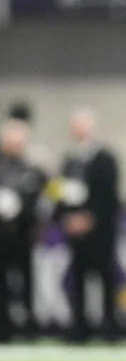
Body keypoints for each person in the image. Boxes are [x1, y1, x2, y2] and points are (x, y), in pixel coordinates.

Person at [55, 109, 121, 343]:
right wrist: (66, 218)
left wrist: (89, 219)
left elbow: (109, 196)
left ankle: (110, 328)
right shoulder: (70, 161)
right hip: (76, 233)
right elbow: (60, 191)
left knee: (106, 280)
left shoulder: (105, 158)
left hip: (100, 233)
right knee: (78, 281)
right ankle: (79, 328)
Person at [0, 117, 47, 342]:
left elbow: (43, 198)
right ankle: (4, 328)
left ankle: (29, 328)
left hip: (24, 235)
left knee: (28, 283)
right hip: (2, 234)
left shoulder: (31, 168)